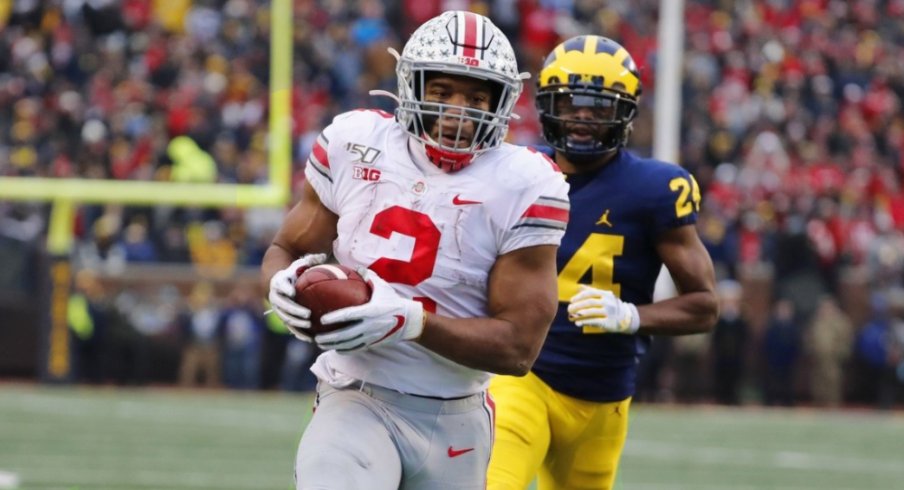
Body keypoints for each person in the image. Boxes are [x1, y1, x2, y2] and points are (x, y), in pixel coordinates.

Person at [261, 11, 570, 490]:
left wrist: (411, 321)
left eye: (475, 97)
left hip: (458, 419)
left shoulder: (526, 184)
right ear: (412, 87)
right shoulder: (355, 142)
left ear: (503, 102)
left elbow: (518, 349)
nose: (457, 113)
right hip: (355, 394)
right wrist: (279, 285)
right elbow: (285, 248)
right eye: (442, 92)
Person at [486, 35, 719, 490]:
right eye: (571, 104)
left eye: (599, 107)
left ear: (626, 112)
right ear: (548, 105)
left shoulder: (655, 189)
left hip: (606, 395)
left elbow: (704, 305)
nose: (582, 118)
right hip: (521, 377)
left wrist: (632, 316)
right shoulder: (515, 172)